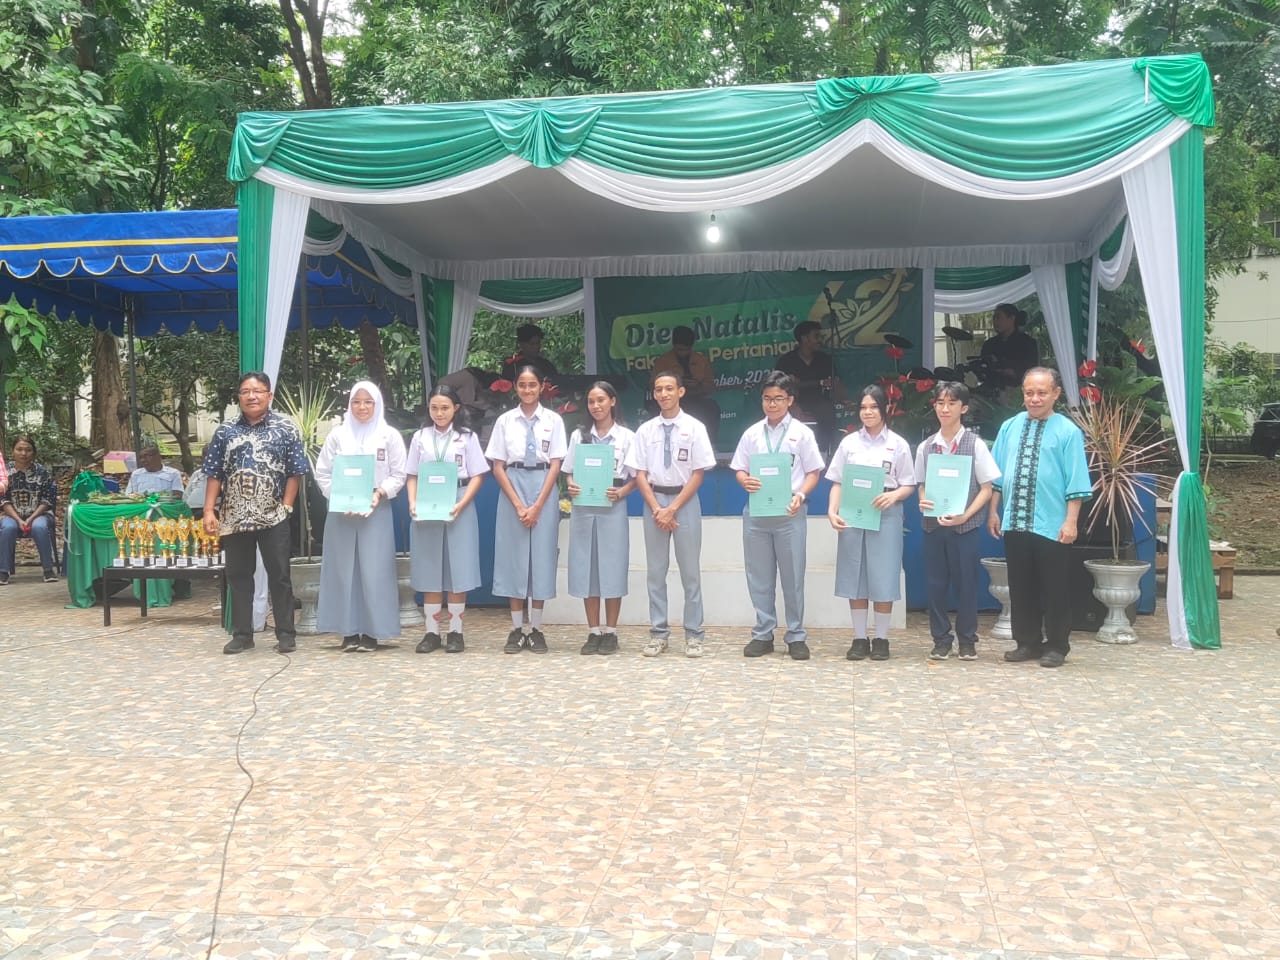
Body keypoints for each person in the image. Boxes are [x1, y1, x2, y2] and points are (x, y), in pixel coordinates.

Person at [987, 367, 1092, 668]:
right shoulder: (1009, 427)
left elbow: (1076, 480)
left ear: (1056, 394)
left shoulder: (1068, 432)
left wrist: (1071, 521)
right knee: (1021, 586)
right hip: (1015, 520)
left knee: (1055, 587)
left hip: (1052, 524)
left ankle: (1057, 645)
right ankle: (1027, 642)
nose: (1035, 399)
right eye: (1029, 393)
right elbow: (997, 474)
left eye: (1042, 393)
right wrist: (994, 511)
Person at [202, 371, 309, 655]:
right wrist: (209, 510)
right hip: (234, 516)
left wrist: (287, 506)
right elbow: (214, 473)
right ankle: (242, 634)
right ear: (239, 397)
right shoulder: (225, 431)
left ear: (269, 395)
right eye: (245, 392)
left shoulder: (285, 428)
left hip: (273, 515)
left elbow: (295, 472)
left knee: (279, 575)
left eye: (258, 391)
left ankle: (286, 634)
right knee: (238, 575)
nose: (252, 396)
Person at [730, 371, 824, 661]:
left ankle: (796, 635)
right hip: (757, 512)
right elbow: (739, 468)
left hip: (789, 511)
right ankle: (763, 633)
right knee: (759, 576)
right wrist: (744, 480)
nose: (772, 404)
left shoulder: (802, 433)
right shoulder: (752, 433)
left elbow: (814, 471)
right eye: (767, 399)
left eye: (778, 399)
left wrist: (801, 495)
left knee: (793, 576)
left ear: (790, 400)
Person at [625, 371, 716, 658]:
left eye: (668, 389)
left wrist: (673, 508)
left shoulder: (695, 427)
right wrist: (657, 508)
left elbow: (698, 473)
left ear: (680, 392)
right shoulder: (646, 430)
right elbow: (639, 473)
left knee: (690, 573)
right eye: (658, 390)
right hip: (654, 502)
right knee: (655, 572)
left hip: (684, 502)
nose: (663, 394)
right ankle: (658, 633)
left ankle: (694, 634)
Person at [313, 381, 407, 653]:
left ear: (377, 404)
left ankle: (373, 632)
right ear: (349, 404)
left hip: (376, 509)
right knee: (342, 570)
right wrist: (338, 496)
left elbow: (398, 474)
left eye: (368, 402)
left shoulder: (389, 436)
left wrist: (380, 493)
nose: (362, 407)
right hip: (341, 512)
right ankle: (348, 631)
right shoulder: (337, 436)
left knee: (375, 570)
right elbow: (322, 472)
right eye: (356, 401)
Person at [825, 386, 917, 662]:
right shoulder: (849, 443)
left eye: (873, 407)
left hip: (885, 513)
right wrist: (832, 511)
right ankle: (859, 637)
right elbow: (837, 481)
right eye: (863, 407)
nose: (868, 412)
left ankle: (881, 639)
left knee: (883, 574)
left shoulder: (898, 444)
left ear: (885, 409)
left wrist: (894, 496)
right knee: (855, 574)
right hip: (853, 513)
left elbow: (909, 483)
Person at [914, 381, 1000, 662]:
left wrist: (966, 515)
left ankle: (967, 640)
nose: (945, 409)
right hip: (934, 526)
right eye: (940, 403)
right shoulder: (926, 446)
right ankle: (941, 640)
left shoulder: (975, 445)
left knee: (966, 585)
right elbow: (922, 484)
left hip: (965, 528)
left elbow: (986, 488)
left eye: (951, 403)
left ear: (963, 408)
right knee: (936, 585)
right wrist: (923, 500)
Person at [485, 365, 567, 653]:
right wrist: (519, 504)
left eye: (533, 385)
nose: (528, 390)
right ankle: (517, 628)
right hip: (513, 483)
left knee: (541, 556)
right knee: (514, 556)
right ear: (515, 387)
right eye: (522, 385)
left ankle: (537, 629)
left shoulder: (554, 420)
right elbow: (497, 465)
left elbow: (556, 464)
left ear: (542, 386)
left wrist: (539, 504)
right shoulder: (505, 421)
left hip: (544, 483)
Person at [406, 383, 490, 654]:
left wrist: (462, 503)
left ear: (456, 408)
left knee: (458, 567)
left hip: (458, 502)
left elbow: (478, 475)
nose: (439, 413)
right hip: (427, 504)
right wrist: (412, 502)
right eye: (434, 408)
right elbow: (412, 474)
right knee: (430, 566)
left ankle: (456, 631)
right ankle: (431, 632)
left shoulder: (467, 437)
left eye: (445, 408)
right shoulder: (420, 437)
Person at [564, 381, 636, 655]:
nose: (596, 406)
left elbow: (637, 476)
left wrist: (622, 492)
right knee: (587, 567)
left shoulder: (627, 437)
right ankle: (593, 631)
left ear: (612, 401)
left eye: (601, 400)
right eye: (591, 402)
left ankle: (611, 632)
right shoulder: (579, 436)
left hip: (612, 505)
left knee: (612, 566)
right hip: (584, 506)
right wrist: (571, 485)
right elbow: (569, 471)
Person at [774, 320, 845, 452]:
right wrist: (791, 405)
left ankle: (824, 452)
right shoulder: (786, 360)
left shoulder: (825, 359)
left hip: (819, 401)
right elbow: (778, 387)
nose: (820, 340)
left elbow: (835, 384)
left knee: (827, 410)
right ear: (804, 338)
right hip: (793, 402)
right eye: (816, 336)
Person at [0, 435, 58, 585]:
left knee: (39, 526)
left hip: (40, 514)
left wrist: (31, 518)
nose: (23, 453)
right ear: (12, 451)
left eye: (28, 450)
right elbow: (3, 500)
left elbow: (47, 500)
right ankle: (3, 571)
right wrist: (19, 519)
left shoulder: (42, 472)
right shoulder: (5, 472)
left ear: (34, 452)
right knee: (7, 527)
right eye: (19, 449)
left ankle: (48, 569)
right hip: (12, 515)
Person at [651, 326, 720, 447]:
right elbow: (654, 385)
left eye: (686, 349)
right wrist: (676, 385)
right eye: (679, 349)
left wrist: (698, 385)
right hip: (671, 400)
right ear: (674, 346)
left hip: (696, 398)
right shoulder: (663, 361)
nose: (682, 353)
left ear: (691, 347)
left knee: (712, 408)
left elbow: (710, 386)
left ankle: (709, 445)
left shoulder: (701, 360)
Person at [978, 303, 1039, 390]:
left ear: (1012, 318)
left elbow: (1032, 371)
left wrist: (1010, 372)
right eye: (994, 318)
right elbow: (982, 369)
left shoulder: (1027, 343)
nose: (995, 322)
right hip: (991, 390)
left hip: (1019, 390)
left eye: (998, 318)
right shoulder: (989, 344)